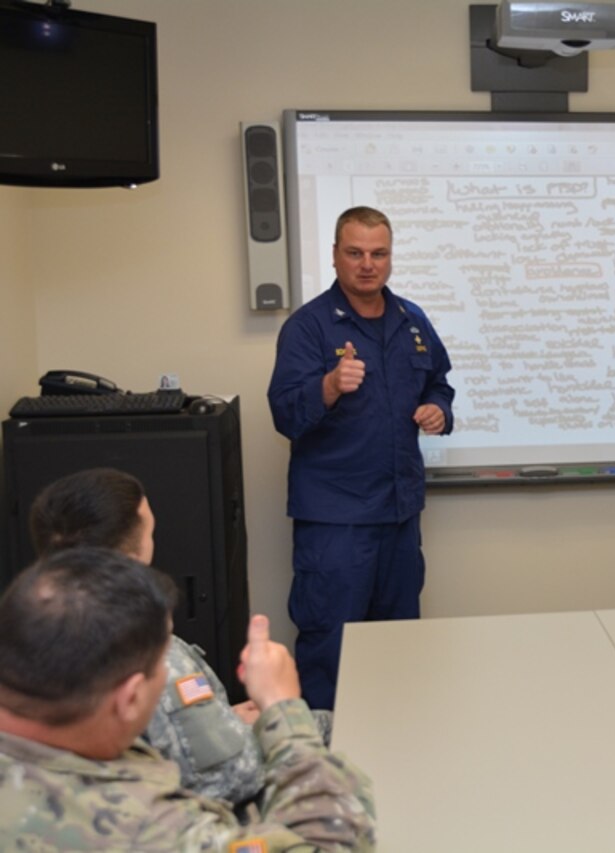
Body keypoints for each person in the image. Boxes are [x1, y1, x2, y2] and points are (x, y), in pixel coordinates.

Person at [0, 547, 375, 850]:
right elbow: (333, 841)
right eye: (162, 665)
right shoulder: (145, 830)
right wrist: (282, 707)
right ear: (130, 698)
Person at [27, 466, 332, 805]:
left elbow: (166, 735)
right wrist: (278, 710)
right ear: (132, 557)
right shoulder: (151, 651)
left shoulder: (30, 633)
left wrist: (222, 720)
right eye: (151, 531)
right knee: (333, 729)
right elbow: (231, 780)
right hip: (208, 819)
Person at [268, 205, 455, 710]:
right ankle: (325, 770)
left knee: (398, 648)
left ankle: (399, 751)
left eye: (378, 253)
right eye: (355, 253)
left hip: (398, 514)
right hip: (336, 521)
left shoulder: (411, 319)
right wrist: (328, 386)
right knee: (332, 649)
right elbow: (284, 413)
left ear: (390, 257)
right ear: (335, 256)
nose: (367, 264)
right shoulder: (308, 328)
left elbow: (439, 380)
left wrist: (438, 409)